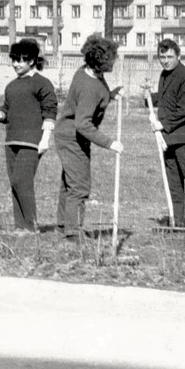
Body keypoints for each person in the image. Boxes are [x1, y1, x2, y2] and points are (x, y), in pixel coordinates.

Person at [0, 38, 58, 232]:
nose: (15, 64)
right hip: (11, 141)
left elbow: (50, 112)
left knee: (22, 181)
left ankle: (31, 227)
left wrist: (45, 139)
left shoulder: (43, 84)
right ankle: (21, 228)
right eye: (13, 60)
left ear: (31, 61)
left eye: (20, 60)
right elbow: (6, 111)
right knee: (15, 184)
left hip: (31, 142)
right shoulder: (11, 86)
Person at [54, 34, 124, 240]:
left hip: (69, 134)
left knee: (70, 181)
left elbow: (92, 100)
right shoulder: (90, 86)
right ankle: (73, 232)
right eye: (112, 58)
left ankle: (63, 225)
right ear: (100, 61)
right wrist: (110, 144)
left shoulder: (88, 74)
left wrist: (110, 95)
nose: (115, 60)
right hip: (72, 137)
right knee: (79, 184)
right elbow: (83, 123)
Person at [146, 38, 185, 231]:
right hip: (169, 139)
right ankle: (178, 219)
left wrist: (161, 124)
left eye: (169, 57)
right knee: (174, 182)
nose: (165, 61)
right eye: (162, 57)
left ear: (179, 56)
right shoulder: (165, 75)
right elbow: (168, 99)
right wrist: (150, 98)